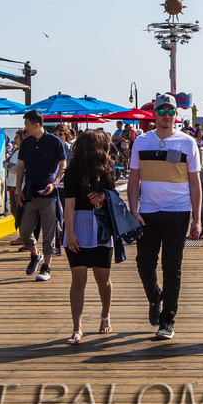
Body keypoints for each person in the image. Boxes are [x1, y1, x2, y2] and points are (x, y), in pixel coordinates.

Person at [127, 93, 202, 340]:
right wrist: (133, 209)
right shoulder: (141, 142)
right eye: (162, 111)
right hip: (147, 212)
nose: (166, 116)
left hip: (177, 212)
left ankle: (167, 320)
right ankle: (154, 297)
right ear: (154, 114)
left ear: (176, 115)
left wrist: (197, 218)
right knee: (144, 264)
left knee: (172, 267)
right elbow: (133, 178)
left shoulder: (187, 143)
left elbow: (195, 183)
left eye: (171, 112)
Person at [61, 128, 118, 343]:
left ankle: (105, 315)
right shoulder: (73, 170)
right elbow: (69, 204)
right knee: (79, 278)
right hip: (79, 223)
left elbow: (113, 194)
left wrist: (104, 194)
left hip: (102, 226)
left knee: (103, 278)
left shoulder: (107, 168)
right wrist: (70, 233)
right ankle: (77, 327)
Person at [15, 109, 67, 282]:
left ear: (37, 124)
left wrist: (55, 182)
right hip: (30, 190)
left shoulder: (54, 142)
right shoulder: (26, 142)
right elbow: (21, 166)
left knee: (49, 232)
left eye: (27, 124)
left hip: (48, 192)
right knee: (24, 231)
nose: (25, 128)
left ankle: (47, 266)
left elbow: (63, 164)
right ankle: (34, 254)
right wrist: (18, 189)